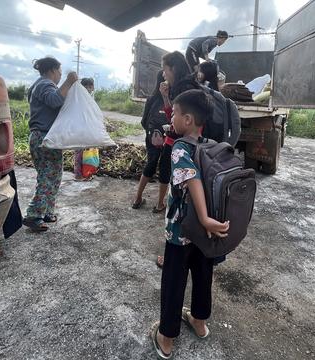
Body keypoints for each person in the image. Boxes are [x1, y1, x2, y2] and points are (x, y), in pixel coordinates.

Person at [150, 89, 230, 359]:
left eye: (174, 113)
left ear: (187, 119)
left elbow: (191, 178)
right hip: (205, 233)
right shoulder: (211, 145)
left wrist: (203, 216)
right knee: (203, 273)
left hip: (181, 228)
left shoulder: (181, 148)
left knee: (174, 279)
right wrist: (209, 220)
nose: (171, 118)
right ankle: (199, 321)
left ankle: (167, 337)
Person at [152, 51, 201, 268]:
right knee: (186, 202)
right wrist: (165, 97)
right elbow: (176, 116)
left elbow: (178, 122)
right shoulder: (189, 84)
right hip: (193, 146)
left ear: (173, 68)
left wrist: (172, 141)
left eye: (165, 69)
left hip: (183, 148)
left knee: (177, 204)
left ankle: (173, 256)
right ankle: (191, 249)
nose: (164, 73)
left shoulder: (183, 87)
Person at [23, 56, 78, 232]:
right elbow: (55, 100)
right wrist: (69, 82)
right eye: (60, 72)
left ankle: (46, 211)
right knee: (48, 177)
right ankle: (33, 215)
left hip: (45, 137)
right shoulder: (44, 84)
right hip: (44, 138)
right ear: (52, 70)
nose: (61, 76)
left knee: (53, 175)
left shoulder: (39, 85)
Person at [132, 71, 169, 213]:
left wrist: (152, 134)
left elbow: (143, 121)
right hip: (169, 138)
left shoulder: (151, 98)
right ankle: (160, 204)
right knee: (165, 168)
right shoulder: (173, 99)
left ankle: (137, 199)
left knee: (150, 164)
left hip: (152, 137)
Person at [74, 77, 96, 181]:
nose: (87, 88)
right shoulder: (78, 98)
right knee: (79, 153)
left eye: (90, 86)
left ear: (93, 88)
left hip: (88, 129)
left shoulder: (91, 98)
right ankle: (78, 175)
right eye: (85, 86)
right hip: (79, 129)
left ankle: (87, 173)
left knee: (89, 153)